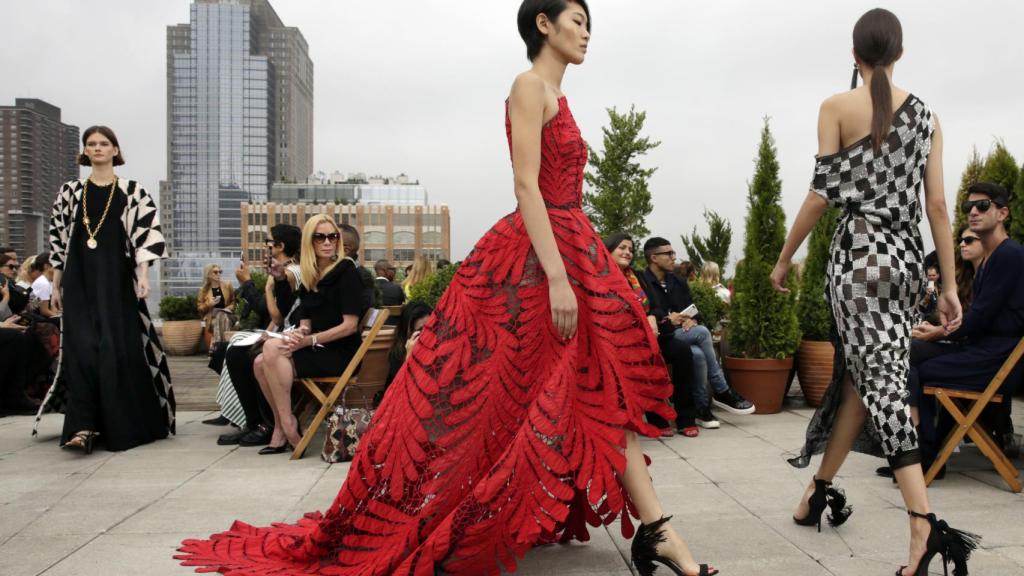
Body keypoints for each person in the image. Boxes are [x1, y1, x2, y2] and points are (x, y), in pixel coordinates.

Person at [179, 2, 716, 575]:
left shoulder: (559, 97)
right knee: (537, 393)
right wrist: (558, 277)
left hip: (571, 251)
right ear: (543, 24)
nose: (587, 32)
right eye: (577, 20)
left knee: (595, 392)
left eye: (589, 24)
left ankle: (654, 531)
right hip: (542, 262)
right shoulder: (528, 85)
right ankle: (649, 532)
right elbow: (526, 186)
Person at [771, 10, 978, 576]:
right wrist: (949, 285)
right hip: (908, 262)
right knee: (864, 380)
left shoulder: (837, 107)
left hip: (859, 264)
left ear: (855, 55)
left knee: (880, 383)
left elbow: (820, 196)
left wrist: (785, 258)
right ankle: (818, 491)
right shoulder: (929, 118)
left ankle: (923, 525)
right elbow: (938, 207)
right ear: (900, 53)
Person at [38, 125, 173, 454]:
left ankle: (120, 427)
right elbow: (57, 243)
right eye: (91, 144)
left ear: (115, 150)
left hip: (116, 280)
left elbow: (146, 236)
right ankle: (82, 427)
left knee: (114, 348)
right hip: (79, 279)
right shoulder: (70, 192)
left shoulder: (131, 190)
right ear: (85, 151)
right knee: (82, 349)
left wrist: (143, 274)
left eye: (103, 143)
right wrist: (56, 286)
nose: (97, 148)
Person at [907, 182, 1024, 473]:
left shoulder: (1010, 255)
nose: (973, 211)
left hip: (997, 361)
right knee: (908, 352)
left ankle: (924, 451)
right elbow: (975, 317)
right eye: (967, 207)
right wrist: (939, 328)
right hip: (980, 350)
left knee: (915, 368)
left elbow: (979, 318)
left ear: (1003, 213)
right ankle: (921, 448)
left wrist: (937, 332)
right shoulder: (990, 259)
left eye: (982, 206)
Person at [250, 215, 367, 456]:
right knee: (260, 363)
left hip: (341, 353)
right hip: (318, 347)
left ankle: (286, 426)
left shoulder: (346, 273)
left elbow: (350, 326)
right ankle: (283, 425)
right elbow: (305, 324)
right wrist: (297, 336)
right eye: (320, 237)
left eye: (332, 236)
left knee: (270, 350)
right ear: (309, 242)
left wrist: (309, 340)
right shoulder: (312, 275)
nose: (328, 242)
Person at [642, 237, 754, 430]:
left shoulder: (678, 281)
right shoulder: (642, 281)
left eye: (673, 253)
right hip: (662, 336)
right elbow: (648, 311)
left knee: (698, 353)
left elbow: (692, 309)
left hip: (684, 334)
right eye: (668, 254)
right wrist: (669, 319)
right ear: (653, 257)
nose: (673, 258)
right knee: (702, 333)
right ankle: (722, 390)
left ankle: (701, 409)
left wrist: (690, 319)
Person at [214, 224, 303, 446]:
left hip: (293, 337)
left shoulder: (292, 273)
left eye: (269, 242)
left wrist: (252, 284)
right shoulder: (286, 272)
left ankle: (261, 423)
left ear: (280, 246)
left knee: (238, 354)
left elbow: (275, 313)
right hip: (283, 332)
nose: (267, 247)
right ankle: (247, 418)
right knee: (224, 351)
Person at [605, 232, 699, 438]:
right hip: (616, 341)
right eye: (622, 248)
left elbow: (655, 306)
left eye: (630, 249)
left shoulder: (636, 277)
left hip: (648, 336)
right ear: (608, 250)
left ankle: (686, 418)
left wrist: (652, 317)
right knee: (645, 358)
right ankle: (656, 418)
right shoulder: (600, 277)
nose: (627, 252)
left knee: (682, 351)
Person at [384, 300, 433, 390]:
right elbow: (401, 387)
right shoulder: (398, 352)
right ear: (409, 332)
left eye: (430, 328)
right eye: (421, 330)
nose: (427, 333)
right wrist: (409, 355)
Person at [197, 263, 236, 351]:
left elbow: (234, 302)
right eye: (215, 272)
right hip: (212, 316)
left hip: (227, 314)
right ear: (209, 274)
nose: (219, 274)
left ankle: (216, 348)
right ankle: (224, 348)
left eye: (220, 272)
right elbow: (200, 308)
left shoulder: (227, 285)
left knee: (222, 317)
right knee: (220, 319)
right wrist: (209, 304)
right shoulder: (203, 290)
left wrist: (228, 309)